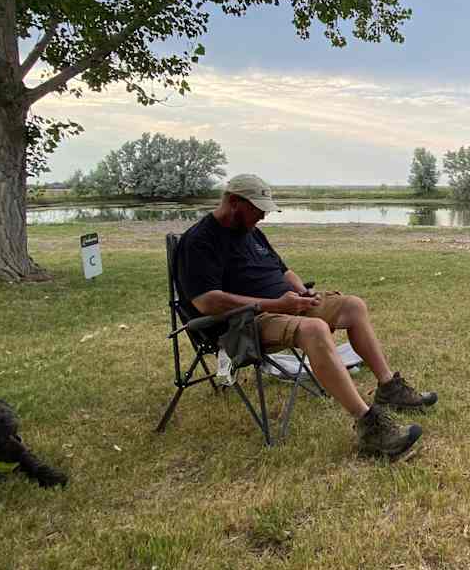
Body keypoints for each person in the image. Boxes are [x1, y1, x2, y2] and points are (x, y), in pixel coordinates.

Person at [176, 173, 436, 461]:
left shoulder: (250, 231)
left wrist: (301, 293)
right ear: (234, 202)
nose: (263, 216)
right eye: (257, 209)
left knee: (353, 306)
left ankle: (389, 388)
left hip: (286, 304)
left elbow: (283, 271)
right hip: (244, 322)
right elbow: (206, 302)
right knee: (314, 330)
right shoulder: (199, 242)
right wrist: (274, 304)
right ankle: (369, 426)